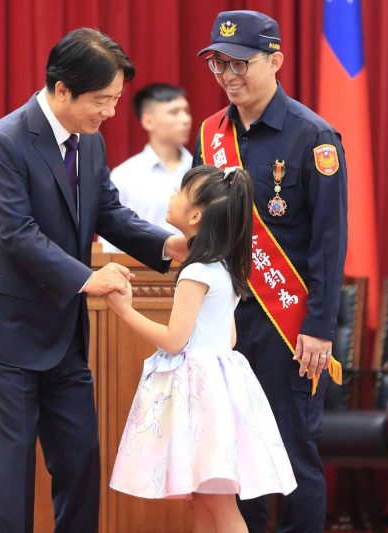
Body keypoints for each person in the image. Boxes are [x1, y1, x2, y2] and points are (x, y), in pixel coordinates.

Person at [0, 28, 187, 533]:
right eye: (102, 100)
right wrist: (87, 279)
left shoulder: (91, 142)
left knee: (81, 464)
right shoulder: (6, 141)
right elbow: (18, 234)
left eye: (116, 99)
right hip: (6, 336)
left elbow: (108, 212)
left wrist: (166, 245)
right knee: (10, 480)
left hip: (63, 338)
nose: (110, 112)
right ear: (62, 89)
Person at [193, 10, 348, 532]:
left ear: (275, 61)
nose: (228, 75)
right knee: (236, 456)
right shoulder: (211, 135)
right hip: (226, 324)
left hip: (290, 324)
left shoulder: (313, 137)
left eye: (240, 63)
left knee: (293, 452)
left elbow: (329, 241)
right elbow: (204, 225)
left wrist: (319, 327)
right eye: (218, 64)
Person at [106, 165, 296, 532]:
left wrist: (125, 311)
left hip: (200, 396)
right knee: (204, 498)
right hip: (218, 392)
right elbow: (229, 339)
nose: (172, 196)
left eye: (180, 191)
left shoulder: (195, 272)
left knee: (217, 503)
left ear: (195, 216)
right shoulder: (224, 267)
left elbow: (174, 341)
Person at [100, 83, 193, 252]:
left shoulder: (200, 167)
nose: (185, 120)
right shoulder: (125, 175)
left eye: (186, 111)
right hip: (139, 267)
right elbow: (110, 239)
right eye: (174, 112)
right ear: (148, 121)